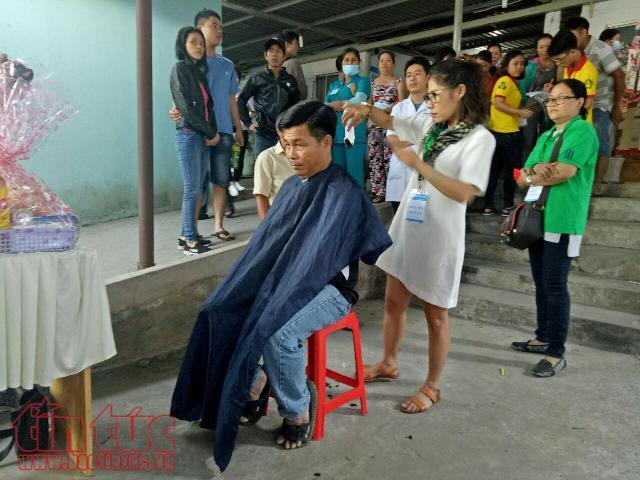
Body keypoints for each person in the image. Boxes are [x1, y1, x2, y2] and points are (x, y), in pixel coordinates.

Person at [170, 101, 392, 471]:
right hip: (288, 279)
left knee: (278, 332)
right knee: (219, 309)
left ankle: (297, 410)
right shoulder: (290, 187)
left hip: (331, 289)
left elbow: (329, 256)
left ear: (326, 142)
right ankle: (253, 382)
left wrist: (289, 282)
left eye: (300, 145)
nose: (291, 154)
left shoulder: (345, 193)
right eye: (286, 144)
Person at [342, 59, 496, 414]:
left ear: (460, 92)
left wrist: (418, 164)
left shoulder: (479, 139)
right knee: (393, 303)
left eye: (435, 95)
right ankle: (389, 363)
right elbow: (391, 121)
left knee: (435, 316)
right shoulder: (431, 125)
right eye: (428, 96)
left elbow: (464, 192)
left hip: (440, 237)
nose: (429, 102)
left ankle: (432, 386)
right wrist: (366, 110)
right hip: (410, 227)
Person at [511, 79, 598, 377]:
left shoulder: (582, 130)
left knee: (555, 286)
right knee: (541, 283)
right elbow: (521, 177)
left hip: (562, 219)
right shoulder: (547, 134)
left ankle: (555, 353)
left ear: (579, 102)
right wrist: (536, 171)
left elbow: (564, 172)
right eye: (550, 99)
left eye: (561, 98)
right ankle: (542, 337)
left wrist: (533, 173)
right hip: (537, 218)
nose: (552, 103)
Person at [171, 9, 243, 242]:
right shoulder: (192, 65)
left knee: (220, 181)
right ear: (199, 29)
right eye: (214, 25)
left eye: (220, 26)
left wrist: (238, 128)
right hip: (199, 130)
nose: (219, 30)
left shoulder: (227, 65)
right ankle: (191, 231)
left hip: (223, 130)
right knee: (196, 185)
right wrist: (174, 108)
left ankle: (218, 225)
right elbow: (183, 92)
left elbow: (232, 98)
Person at [170, 27, 219, 255]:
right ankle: (190, 240)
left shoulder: (198, 72)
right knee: (191, 190)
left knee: (198, 188)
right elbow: (185, 107)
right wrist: (210, 132)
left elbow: (209, 108)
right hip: (188, 134)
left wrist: (211, 132)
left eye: (201, 42)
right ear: (183, 45)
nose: (199, 46)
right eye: (193, 42)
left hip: (201, 136)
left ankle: (186, 234)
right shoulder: (179, 68)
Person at [566, 16, 625, 195]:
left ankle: (596, 185)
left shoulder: (600, 48)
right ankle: (582, 181)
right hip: (580, 106)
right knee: (583, 145)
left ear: (583, 32)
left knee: (600, 145)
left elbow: (619, 75)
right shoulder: (574, 51)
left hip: (600, 104)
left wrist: (616, 106)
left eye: (573, 35)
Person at [483, 49, 532, 216]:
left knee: (495, 171)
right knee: (510, 171)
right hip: (506, 133)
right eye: (515, 63)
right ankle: (507, 204)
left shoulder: (512, 82)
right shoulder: (505, 80)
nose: (519, 67)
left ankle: (489, 205)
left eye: (522, 64)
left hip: (501, 132)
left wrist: (519, 111)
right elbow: (498, 103)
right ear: (506, 65)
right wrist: (519, 112)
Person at [237, 38, 300, 158]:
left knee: (284, 168)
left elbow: (296, 106)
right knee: (262, 167)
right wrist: (248, 123)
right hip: (263, 135)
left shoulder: (290, 80)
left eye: (278, 51)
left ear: (284, 56)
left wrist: (292, 127)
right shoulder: (257, 78)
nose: (274, 54)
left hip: (284, 135)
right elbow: (241, 100)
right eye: (271, 50)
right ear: (266, 55)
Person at [385, 57, 431, 212]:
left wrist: (405, 136)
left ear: (428, 77)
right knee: (399, 219)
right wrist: (418, 136)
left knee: (421, 220)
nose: (412, 78)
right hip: (400, 171)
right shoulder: (399, 108)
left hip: (425, 172)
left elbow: (433, 136)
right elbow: (392, 138)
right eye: (409, 75)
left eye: (417, 74)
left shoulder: (435, 106)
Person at [324, 47, 371, 187]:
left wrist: (340, 104)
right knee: (337, 174)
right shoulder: (334, 85)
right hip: (336, 134)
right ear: (342, 63)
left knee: (354, 174)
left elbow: (360, 99)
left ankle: (358, 201)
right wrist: (335, 104)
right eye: (347, 60)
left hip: (353, 132)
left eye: (353, 60)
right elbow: (325, 105)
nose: (350, 63)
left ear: (359, 63)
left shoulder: (363, 80)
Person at [369, 51, 406, 203]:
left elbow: (403, 102)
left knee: (390, 158)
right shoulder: (373, 83)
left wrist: (390, 107)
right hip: (374, 125)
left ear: (394, 64)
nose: (384, 64)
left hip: (391, 124)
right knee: (375, 158)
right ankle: (379, 192)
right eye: (381, 61)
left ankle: (393, 191)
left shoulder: (399, 82)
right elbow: (370, 102)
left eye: (388, 60)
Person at [519, 34, 557, 162]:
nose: (545, 50)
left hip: (550, 107)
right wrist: (522, 109)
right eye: (541, 47)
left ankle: (541, 167)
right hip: (531, 107)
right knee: (528, 140)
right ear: (537, 49)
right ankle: (526, 169)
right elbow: (522, 89)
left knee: (545, 139)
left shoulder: (559, 65)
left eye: (548, 46)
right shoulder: (531, 67)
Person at [549, 29, 598, 124]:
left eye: (560, 59)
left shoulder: (587, 70)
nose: (558, 63)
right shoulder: (568, 67)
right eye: (555, 60)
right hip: (568, 122)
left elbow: (587, 103)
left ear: (572, 51)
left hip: (580, 124)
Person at [252, 125, 294, 219]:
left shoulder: (309, 153)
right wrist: (266, 225)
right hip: (281, 218)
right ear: (279, 131)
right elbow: (261, 194)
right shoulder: (267, 157)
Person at [279, 29, 308, 100]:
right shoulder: (293, 63)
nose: (298, 47)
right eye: (296, 44)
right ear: (287, 44)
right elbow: (302, 92)